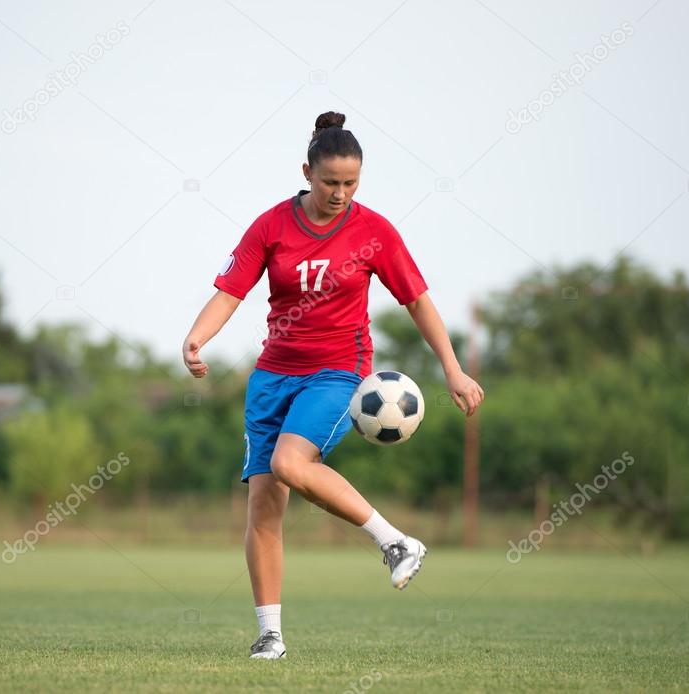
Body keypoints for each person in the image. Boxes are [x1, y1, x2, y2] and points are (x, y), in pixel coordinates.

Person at [182, 111, 484, 660]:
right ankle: (270, 635)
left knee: (290, 466)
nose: (340, 193)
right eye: (330, 183)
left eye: (350, 183)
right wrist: (196, 339)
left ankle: (395, 542)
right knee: (263, 509)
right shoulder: (271, 226)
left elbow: (417, 299)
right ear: (307, 172)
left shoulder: (374, 232)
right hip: (273, 377)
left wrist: (453, 367)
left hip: (337, 372)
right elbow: (230, 291)